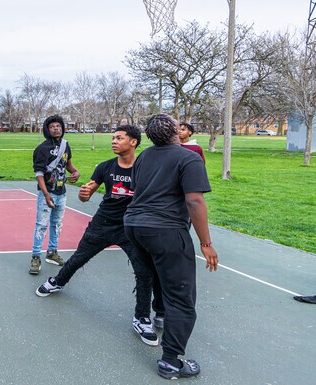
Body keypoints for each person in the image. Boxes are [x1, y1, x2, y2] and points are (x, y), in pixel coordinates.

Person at [35, 125, 163, 347]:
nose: (114, 141)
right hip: (102, 224)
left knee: (144, 272)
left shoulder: (146, 169)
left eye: (120, 138)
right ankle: (57, 281)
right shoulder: (105, 167)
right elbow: (88, 193)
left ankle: (142, 317)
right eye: (113, 137)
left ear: (133, 142)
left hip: (130, 228)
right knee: (78, 258)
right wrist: (85, 194)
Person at [123, 113, 218, 380]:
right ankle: (171, 362)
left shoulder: (144, 157)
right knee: (182, 297)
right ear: (177, 130)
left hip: (133, 226)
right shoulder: (189, 157)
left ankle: (160, 316)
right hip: (164, 230)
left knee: (157, 276)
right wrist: (206, 243)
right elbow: (195, 202)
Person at [29, 115, 80, 275]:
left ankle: (52, 252)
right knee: (41, 225)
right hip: (47, 193)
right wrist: (45, 194)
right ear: (47, 129)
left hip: (61, 193)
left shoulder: (66, 145)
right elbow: (39, 173)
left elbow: (68, 164)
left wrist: (75, 172)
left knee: (56, 224)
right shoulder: (42, 149)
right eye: (52, 127)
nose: (56, 129)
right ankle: (36, 257)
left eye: (58, 126)